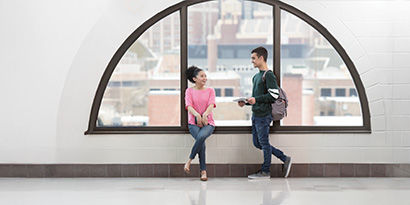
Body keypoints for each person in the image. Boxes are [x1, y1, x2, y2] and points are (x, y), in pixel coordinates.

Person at [238, 46, 292, 179]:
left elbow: (273, 96)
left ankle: (265, 171)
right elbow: (257, 97)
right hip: (256, 114)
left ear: (261, 58)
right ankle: (284, 158)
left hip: (264, 116)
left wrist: (256, 99)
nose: (252, 61)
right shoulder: (256, 77)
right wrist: (245, 102)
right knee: (258, 143)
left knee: (264, 143)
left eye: (253, 58)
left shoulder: (269, 75)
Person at [184, 66, 216, 181]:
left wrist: (205, 115)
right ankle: (203, 171)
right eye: (202, 76)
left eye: (205, 76)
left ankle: (189, 161)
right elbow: (188, 106)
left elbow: (211, 104)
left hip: (208, 123)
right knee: (201, 143)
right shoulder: (189, 91)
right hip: (193, 123)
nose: (205, 78)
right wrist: (197, 115)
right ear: (194, 78)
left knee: (201, 137)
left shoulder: (210, 90)